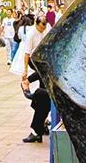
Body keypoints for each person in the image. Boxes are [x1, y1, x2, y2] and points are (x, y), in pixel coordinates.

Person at [21, 15, 52, 144]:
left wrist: (28, 80)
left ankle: (37, 131)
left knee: (40, 96)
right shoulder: (31, 34)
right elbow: (26, 54)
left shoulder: (47, 29)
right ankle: (41, 126)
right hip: (38, 62)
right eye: (40, 28)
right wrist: (25, 71)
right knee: (41, 96)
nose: (42, 30)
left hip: (45, 64)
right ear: (36, 24)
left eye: (44, 27)